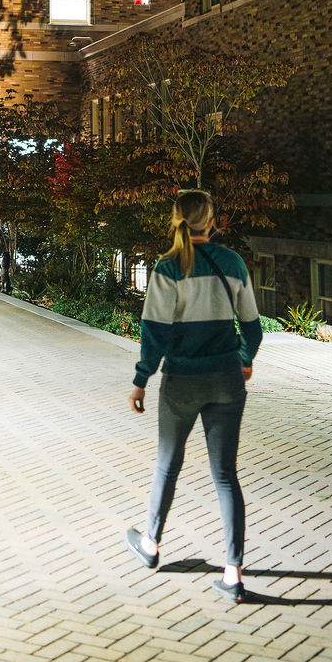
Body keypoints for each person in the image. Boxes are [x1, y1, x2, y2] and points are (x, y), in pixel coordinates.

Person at [122, 189, 263, 603]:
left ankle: (150, 544)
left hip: (182, 380)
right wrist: (244, 358)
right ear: (212, 220)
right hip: (225, 380)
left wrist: (141, 377)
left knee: (168, 464)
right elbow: (252, 327)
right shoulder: (233, 262)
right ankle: (234, 572)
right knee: (225, 476)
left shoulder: (168, 268)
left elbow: (155, 332)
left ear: (176, 219)